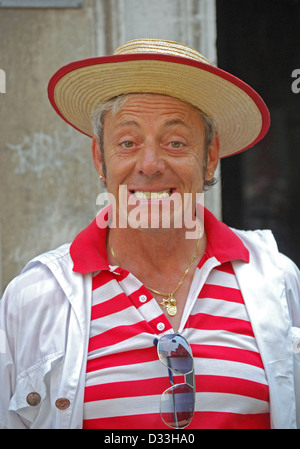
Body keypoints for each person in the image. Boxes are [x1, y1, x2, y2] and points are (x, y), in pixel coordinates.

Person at [0, 38, 300, 430]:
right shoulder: (34, 298)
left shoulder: (276, 279)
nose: (151, 164)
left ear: (209, 158)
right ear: (100, 158)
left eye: (176, 142)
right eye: (128, 142)